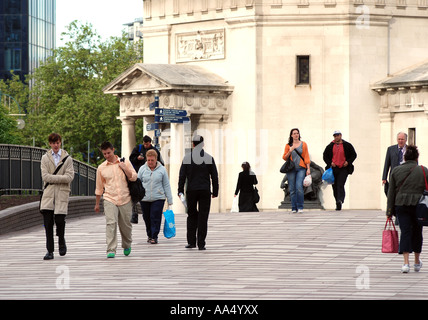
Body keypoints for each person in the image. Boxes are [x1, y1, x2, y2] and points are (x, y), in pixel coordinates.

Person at [386, 145, 426, 273]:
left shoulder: (396, 171)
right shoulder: (423, 170)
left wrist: (389, 211)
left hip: (401, 205)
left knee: (405, 232)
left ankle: (405, 263)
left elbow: (391, 192)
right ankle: (416, 262)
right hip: (419, 206)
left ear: (404, 157)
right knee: (417, 232)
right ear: (416, 157)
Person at [94, 141, 137, 258]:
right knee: (111, 223)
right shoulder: (101, 168)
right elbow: (99, 187)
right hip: (109, 198)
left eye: (108, 153)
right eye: (104, 154)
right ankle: (111, 249)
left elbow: (134, 177)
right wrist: (97, 204)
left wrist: (124, 168)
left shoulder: (125, 162)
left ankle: (127, 244)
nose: (107, 156)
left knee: (126, 226)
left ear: (113, 150)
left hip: (125, 198)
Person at [178, 135, 219, 250]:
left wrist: (180, 190)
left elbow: (182, 176)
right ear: (203, 144)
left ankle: (191, 242)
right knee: (203, 216)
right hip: (205, 190)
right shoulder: (209, 158)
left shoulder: (187, 158)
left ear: (193, 144)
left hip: (191, 190)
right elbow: (214, 176)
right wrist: (215, 191)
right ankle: (201, 243)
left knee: (191, 215)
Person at [40, 133, 74, 260]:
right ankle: (49, 250)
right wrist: (62, 178)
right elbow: (45, 177)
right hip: (48, 194)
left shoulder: (67, 159)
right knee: (48, 224)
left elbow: (70, 177)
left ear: (60, 143)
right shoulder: (45, 158)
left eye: (57, 142)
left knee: (60, 220)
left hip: (61, 194)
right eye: (53, 143)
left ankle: (61, 240)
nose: (55, 145)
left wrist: (53, 178)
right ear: (50, 144)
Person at [138, 149, 173, 244]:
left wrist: (169, 199)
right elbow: (138, 183)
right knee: (147, 218)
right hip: (145, 198)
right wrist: (136, 196)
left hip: (158, 198)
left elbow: (166, 185)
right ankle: (149, 234)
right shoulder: (142, 169)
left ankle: (154, 236)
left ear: (156, 159)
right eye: (148, 160)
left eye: (152, 160)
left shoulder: (162, 170)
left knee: (155, 216)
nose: (150, 162)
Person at [129, 135, 164, 223]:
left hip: (153, 176)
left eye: (147, 144)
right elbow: (131, 159)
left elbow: (160, 162)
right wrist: (137, 158)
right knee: (137, 193)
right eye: (144, 144)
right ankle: (135, 210)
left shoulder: (155, 151)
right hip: (139, 175)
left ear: (150, 143)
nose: (145, 146)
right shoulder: (138, 148)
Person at [323, 130, 357, 211]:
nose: (336, 137)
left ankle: (340, 199)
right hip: (333, 169)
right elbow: (325, 156)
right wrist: (330, 163)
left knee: (340, 184)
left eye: (337, 135)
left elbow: (354, 155)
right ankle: (337, 201)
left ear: (340, 135)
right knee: (334, 186)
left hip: (343, 168)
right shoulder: (330, 146)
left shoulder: (347, 145)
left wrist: (348, 162)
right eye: (335, 136)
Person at [282, 128, 311, 213]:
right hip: (291, 169)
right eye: (294, 133)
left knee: (299, 187)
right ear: (291, 135)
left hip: (301, 168)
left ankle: (300, 206)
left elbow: (306, 157)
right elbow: (284, 157)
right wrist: (290, 151)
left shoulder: (303, 144)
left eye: (297, 133)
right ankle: (294, 207)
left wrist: (308, 168)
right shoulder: (288, 145)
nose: (296, 135)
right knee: (292, 189)